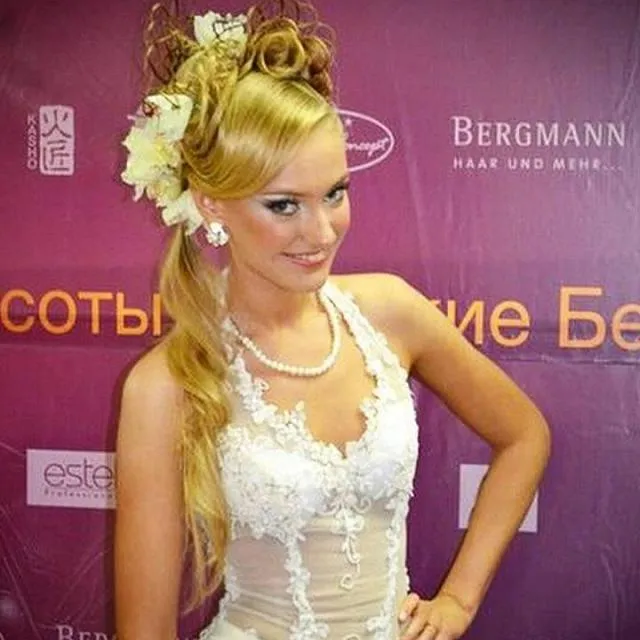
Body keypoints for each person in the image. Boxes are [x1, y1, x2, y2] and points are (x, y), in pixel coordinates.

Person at [114, 2, 551, 639]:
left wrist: (458, 600)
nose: (321, 233)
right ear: (211, 205)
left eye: (335, 193)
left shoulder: (390, 311)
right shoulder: (166, 384)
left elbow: (524, 434)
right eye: (284, 205)